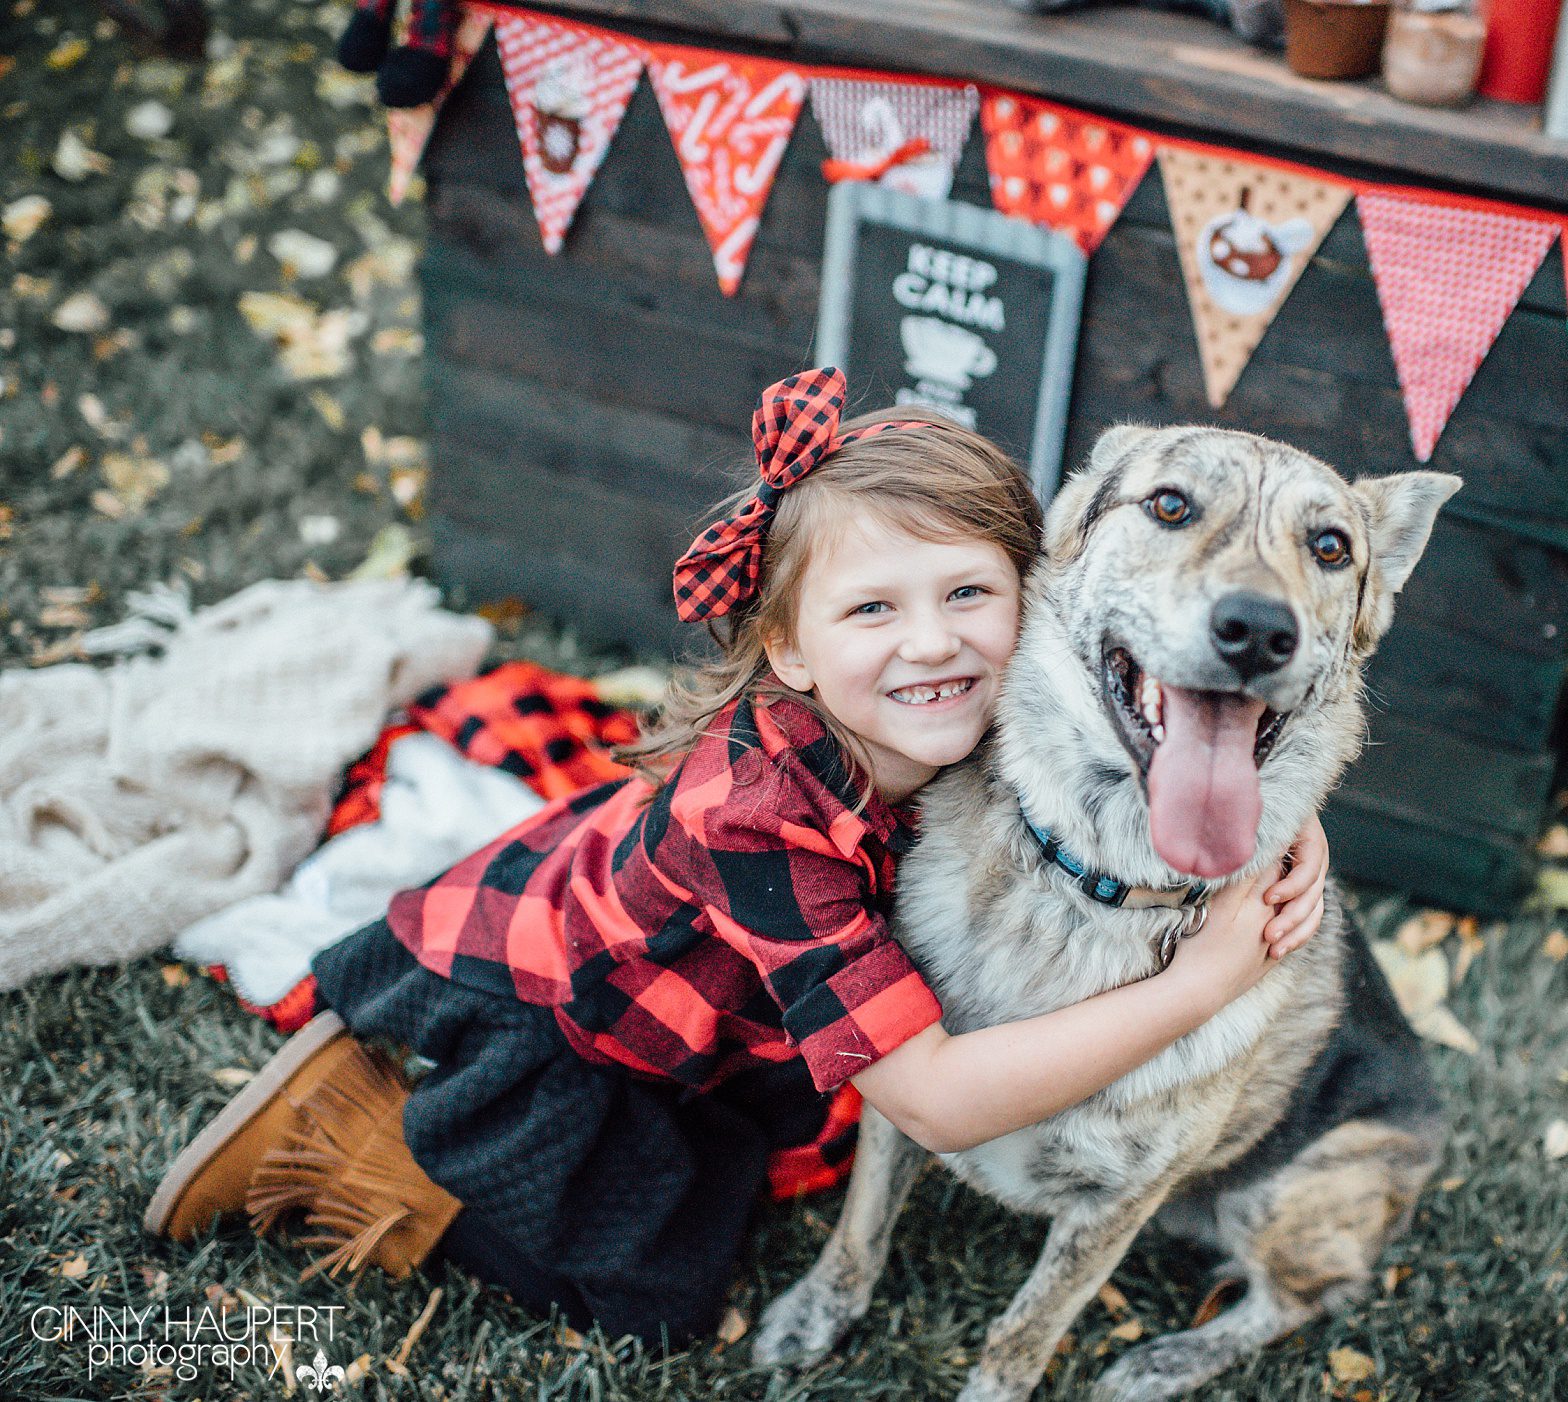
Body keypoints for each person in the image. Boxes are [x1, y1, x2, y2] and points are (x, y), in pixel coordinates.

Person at [145, 367, 1328, 1349]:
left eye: (971, 591)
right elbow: (935, 1103)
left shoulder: (985, 717)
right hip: (579, 1027)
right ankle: (358, 1136)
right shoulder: (759, 818)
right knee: (652, 1296)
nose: (935, 642)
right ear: (791, 650)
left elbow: (1200, 737)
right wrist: (1197, 986)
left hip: (734, 1007)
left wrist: (1285, 822)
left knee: (773, 1146)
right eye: (873, 610)